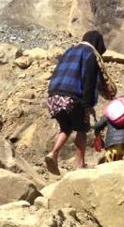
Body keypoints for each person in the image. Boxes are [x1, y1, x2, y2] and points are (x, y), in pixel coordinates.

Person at [45, 30, 109, 174]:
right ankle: (80, 164)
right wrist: (88, 105)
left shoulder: (69, 51)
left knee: (66, 128)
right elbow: (89, 81)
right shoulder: (90, 55)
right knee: (82, 129)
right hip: (73, 97)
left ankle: (53, 153)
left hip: (54, 96)